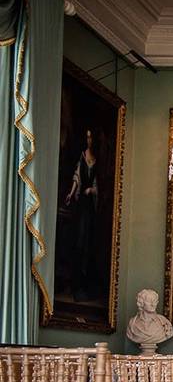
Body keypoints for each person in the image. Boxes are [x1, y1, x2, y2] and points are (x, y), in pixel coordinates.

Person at [64, 129, 100, 301]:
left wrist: (91, 190)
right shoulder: (82, 156)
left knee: (88, 241)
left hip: (90, 206)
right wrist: (71, 193)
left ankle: (86, 282)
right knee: (78, 239)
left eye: (90, 137)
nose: (88, 140)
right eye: (86, 137)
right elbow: (77, 177)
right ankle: (76, 282)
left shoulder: (99, 159)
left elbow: (98, 184)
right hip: (81, 206)